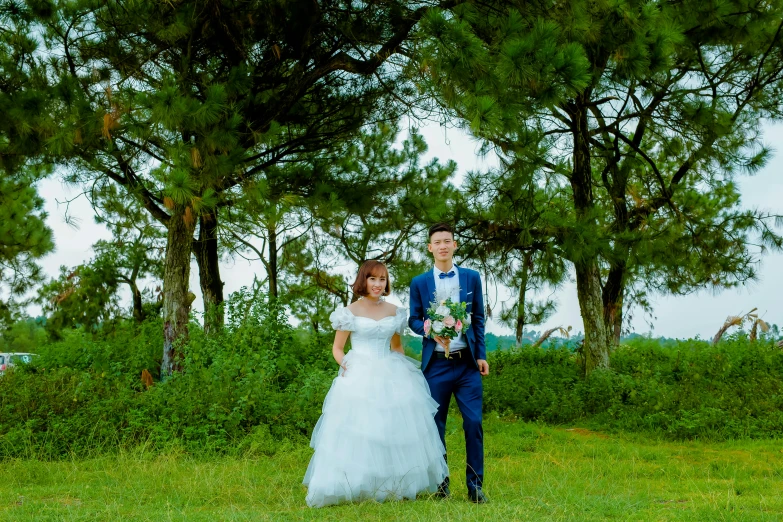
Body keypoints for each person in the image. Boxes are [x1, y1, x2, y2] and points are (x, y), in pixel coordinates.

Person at [303, 260, 448, 508]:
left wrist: (404, 375)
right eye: (373, 279)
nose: (378, 284)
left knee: (392, 430)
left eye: (382, 279)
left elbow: (396, 346)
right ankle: (353, 483)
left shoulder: (394, 311)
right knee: (360, 430)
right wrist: (346, 366)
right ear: (363, 281)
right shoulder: (348, 312)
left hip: (390, 370)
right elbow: (337, 349)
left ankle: (394, 485)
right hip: (359, 370)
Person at [408, 223, 489, 503]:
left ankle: (475, 486)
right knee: (436, 426)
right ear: (430, 248)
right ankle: (441, 485)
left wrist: (481, 355)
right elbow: (413, 319)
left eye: (448, 241)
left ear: (455, 245)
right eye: (437, 242)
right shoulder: (419, 282)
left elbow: (478, 317)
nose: (443, 246)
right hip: (437, 365)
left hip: (467, 364)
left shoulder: (471, 278)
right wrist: (431, 329)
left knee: (473, 423)